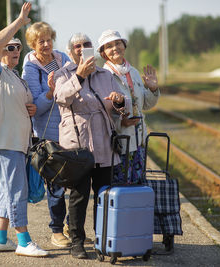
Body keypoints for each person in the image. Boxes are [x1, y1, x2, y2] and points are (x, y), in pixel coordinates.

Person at [0, 2, 48, 257]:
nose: (15, 49)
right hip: (4, 142)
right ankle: (24, 240)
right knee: (16, 190)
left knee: (7, 190)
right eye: (11, 47)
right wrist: (20, 22)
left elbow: (24, 105)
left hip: (19, 143)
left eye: (18, 47)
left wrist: (30, 109)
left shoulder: (16, 76)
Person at [52, 33, 129, 259]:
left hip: (104, 141)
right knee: (78, 195)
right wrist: (78, 75)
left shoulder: (104, 74)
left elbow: (121, 104)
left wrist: (119, 101)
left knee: (103, 194)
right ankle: (77, 242)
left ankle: (102, 238)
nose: (82, 49)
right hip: (77, 146)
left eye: (86, 45)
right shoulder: (62, 74)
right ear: (70, 52)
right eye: (77, 46)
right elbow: (61, 97)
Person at [21, 21, 72, 248]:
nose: (46, 44)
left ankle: (73, 225)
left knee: (78, 181)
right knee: (56, 185)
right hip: (47, 134)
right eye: (40, 41)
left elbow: (77, 86)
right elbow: (35, 107)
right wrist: (51, 93)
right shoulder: (30, 67)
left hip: (71, 130)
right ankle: (57, 230)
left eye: (49, 39)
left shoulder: (63, 59)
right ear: (33, 44)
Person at [97, 29, 160, 184]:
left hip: (139, 141)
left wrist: (152, 89)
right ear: (104, 54)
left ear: (124, 46)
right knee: (121, 186)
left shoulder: (134, 72)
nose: (115, 48)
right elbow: (101, 111)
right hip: (118, 143)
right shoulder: (103, 75)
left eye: (118, 43)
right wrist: (120, 122)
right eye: (109, 46)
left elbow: (145, 104)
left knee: (138, 185)